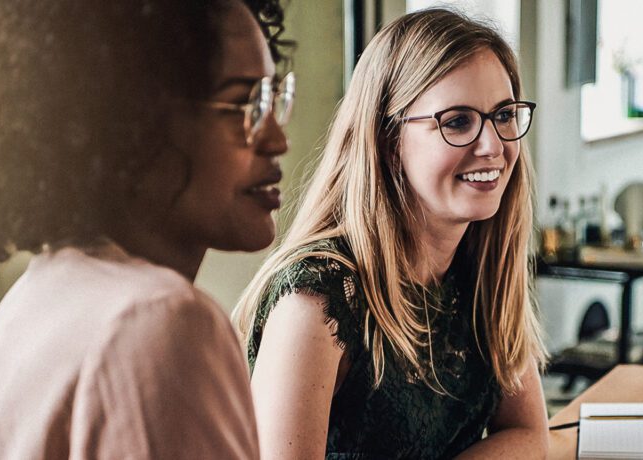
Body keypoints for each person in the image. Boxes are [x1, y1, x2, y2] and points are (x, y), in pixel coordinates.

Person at [0, 0, 292, 457]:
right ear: (130, 118)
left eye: (272, 97)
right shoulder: (158, 322)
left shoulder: (46, 292)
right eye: (243, 103)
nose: (276, 139)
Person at [232, 8, 549, 459]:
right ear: (387, 139)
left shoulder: (480, 262)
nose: (494, 145)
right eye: (458, 121)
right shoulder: (318, 298)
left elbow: (530, 436)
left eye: (503, 115)